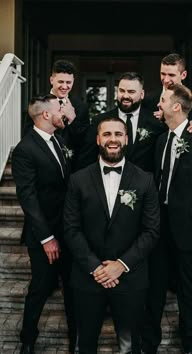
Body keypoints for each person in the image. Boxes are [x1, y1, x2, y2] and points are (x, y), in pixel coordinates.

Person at [64, 117, 160, 354]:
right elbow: (71, 229)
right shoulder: (78, 180)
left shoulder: (145, 180)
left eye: (118, 134)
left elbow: (151, 231)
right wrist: (96, 267)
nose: (113, 139)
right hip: (87, 278)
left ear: (126, 139)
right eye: (107, 134)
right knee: (84, 343)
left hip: (131, 279)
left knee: (130, 345)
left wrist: (121, 265)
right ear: (98, 139)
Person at [141, 84, 192, 354]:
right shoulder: (162, 140)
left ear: (176, 106)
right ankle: (149, 343)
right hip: (160, 228)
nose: (158, 104)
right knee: (155, 286)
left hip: (189, 230)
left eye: (162, 100)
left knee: (188, 288)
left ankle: (190, 347)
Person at [12, 95, 77, 354]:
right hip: (44, 235)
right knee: (39, 288)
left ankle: (76, 339)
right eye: (60, 108)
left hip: (68, 230)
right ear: (47, 115)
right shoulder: (24, 150)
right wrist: (47, 238)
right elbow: (28, 199)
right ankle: (28, 339)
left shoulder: (58, 140)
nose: (63, 111)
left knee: (72, 288)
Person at [76, 71, 192, 173]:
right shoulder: (100, 121)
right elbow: (86, 159)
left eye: (131, 92)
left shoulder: (157, 123)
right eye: (121, 91)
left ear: (142, 94)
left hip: (145, 192)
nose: (125, 96)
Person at [23, 59, 90, 170]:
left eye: (68, 82)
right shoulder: (38, 102)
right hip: (42, 164)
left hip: (71, 168)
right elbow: (28, 134)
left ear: (73, 81)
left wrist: (72, 120)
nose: (64, 86)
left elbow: (84, 143)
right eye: (60, 82)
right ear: (52, 80)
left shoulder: (81, 107)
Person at [144, 53, 192, 131]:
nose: (166, 80)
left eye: (171, 75)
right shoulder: (148, 99)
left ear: (183, 75)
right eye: (163, 74)